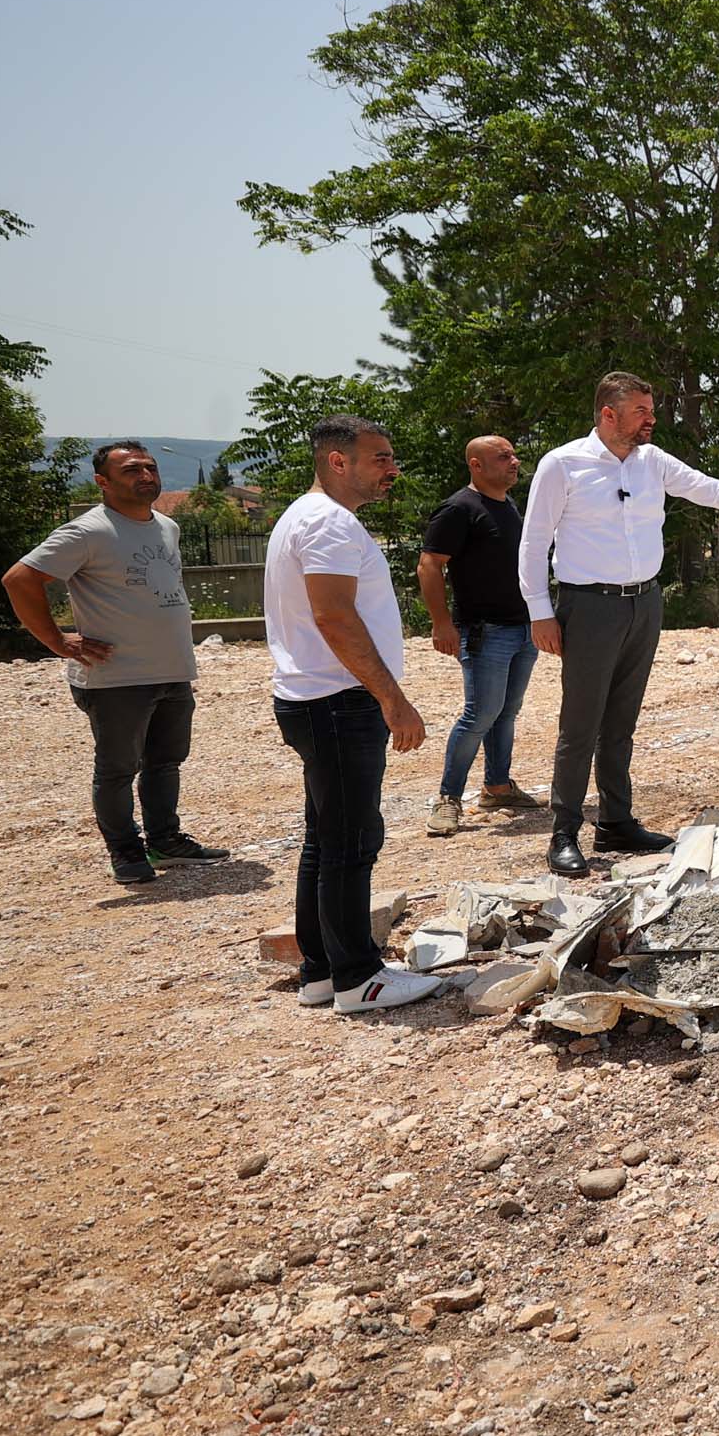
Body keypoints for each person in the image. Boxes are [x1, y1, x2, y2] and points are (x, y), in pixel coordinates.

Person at [520, 371, 719, 878]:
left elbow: (710, 490)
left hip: (644, 604)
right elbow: (533, 541)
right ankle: (564, 833)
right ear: (609, 414)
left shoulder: (652, 461)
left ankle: (615, 823)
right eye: (641, 412)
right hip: (589, 607)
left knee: (621, 722)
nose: (651, 420)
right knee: (580, 725)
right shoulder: (563, 464)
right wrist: (539, 611)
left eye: (651, 411)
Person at [263, 414, 442, 1014]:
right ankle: (358, 979)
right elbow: (335, 616)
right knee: (352, 841)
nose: (393, 469)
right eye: (380, 458)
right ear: (337, 461)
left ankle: (321, 971)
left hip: (317, 699)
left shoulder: (307, 515)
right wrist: (392, 698)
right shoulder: (328, 522)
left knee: (326, 838)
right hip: (339, 701)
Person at [2, 440, 230, 884]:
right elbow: (19, 579)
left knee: (166, 762)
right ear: (102, 481)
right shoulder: (87, 532)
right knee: (118, 770)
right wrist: (56, 640)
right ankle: (125, 852)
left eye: (150, 468)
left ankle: (165, 841)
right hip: (116, 678)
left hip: (171, 669)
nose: (145, 476)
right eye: (131, 470)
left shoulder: (167, 526)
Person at [417, 435, 542, 835]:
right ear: (476, 464)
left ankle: (498, 787)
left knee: (506, 711)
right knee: (480, 714)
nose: (514, 461)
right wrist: (441, 623)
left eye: (513, 455)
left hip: (523, 629)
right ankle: (448, 799)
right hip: (485, 631)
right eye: (503, 456)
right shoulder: (459, 508)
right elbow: (429, 565)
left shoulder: (508, 506)